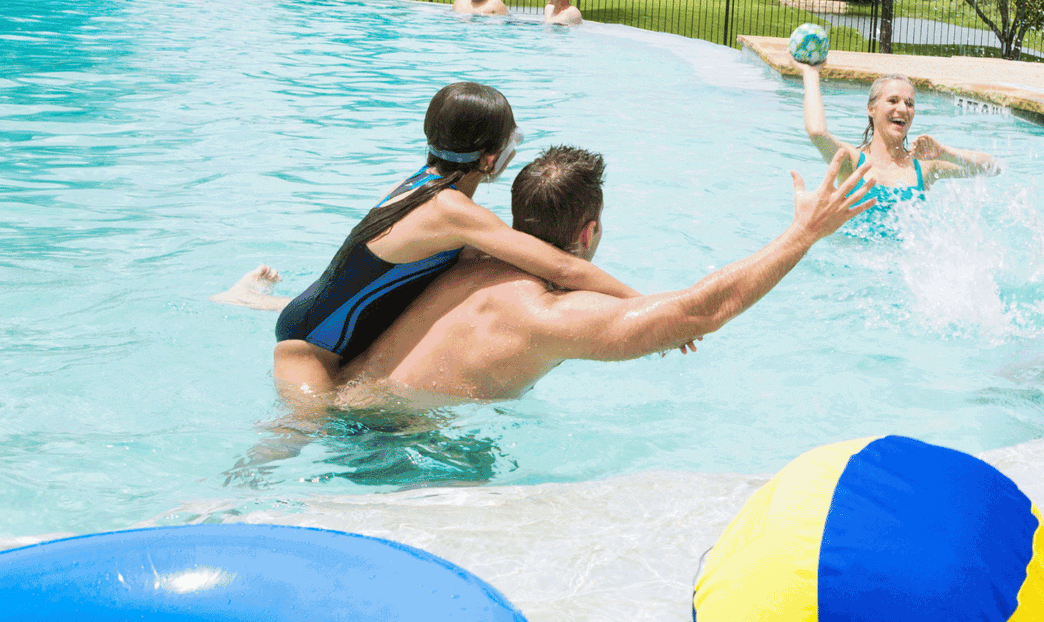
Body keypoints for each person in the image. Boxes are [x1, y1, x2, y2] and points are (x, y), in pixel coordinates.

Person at [336, 147, 875, 404]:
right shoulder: (545, 315)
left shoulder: (465, 261)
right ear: (589, 232)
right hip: (386, 445)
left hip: (338, 402)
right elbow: (702, 311)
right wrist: (803, 233)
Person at [263, 82, 639, 407]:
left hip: (316, 326)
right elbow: (563, 267)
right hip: (309, 349)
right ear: (491, 159)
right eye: (513, 141)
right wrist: (639, 303)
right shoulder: (451, 210)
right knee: (283, 450)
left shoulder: (423, 187)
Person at [798, 65, 997, 219]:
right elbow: (817, 132)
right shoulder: (851, 162)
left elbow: (993, 168)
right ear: (871, 109)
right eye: (893, 101)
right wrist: (810, 71)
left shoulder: (923, 168)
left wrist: (946, 152)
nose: (902, 109)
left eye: (909, 103)